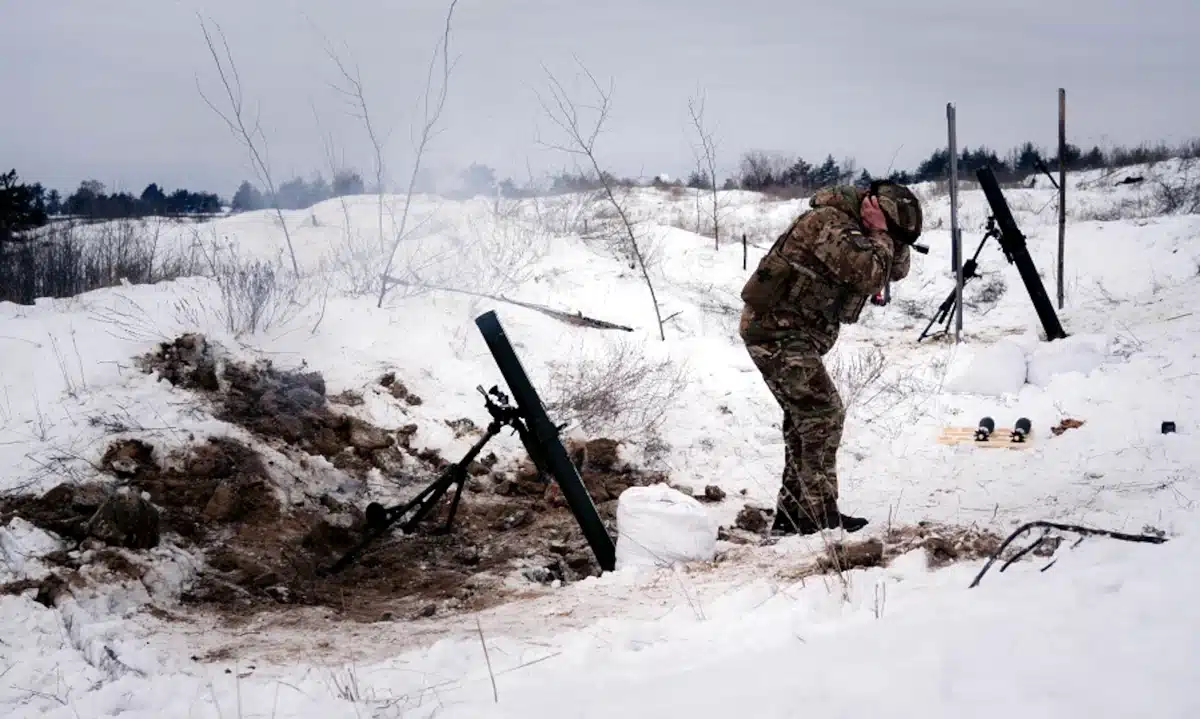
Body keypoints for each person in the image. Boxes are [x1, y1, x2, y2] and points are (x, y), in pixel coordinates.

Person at [737, 180, 923, 535]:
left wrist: (887, 235)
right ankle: (817, 516)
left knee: (805, 422)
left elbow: (895, 270)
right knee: (823, 414)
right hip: (775, 332)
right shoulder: (828, 224)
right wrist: (880, 233)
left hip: (794, 332)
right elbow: (871, 276)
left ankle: (793, 515)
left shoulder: (862, 227)